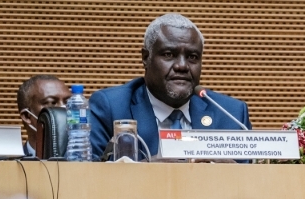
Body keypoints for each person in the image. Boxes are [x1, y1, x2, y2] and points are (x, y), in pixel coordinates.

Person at [89, 13, 251, 159]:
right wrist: (149, 172)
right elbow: (87, 177)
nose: (182, 66)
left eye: (192, 57)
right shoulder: (111, 107)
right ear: (146, 58)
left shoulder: (232, 115)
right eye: (169, 55)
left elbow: (249, 183)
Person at [17, 75, 72, 157]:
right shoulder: (9, 165)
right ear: (27, 116)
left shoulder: (87, 160)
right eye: (52, 103)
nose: (64, 109)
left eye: (68, 102)